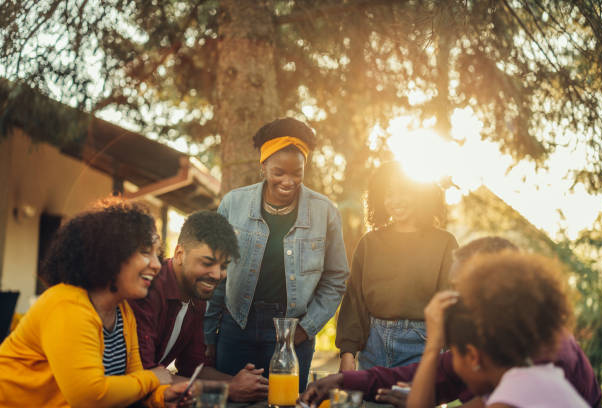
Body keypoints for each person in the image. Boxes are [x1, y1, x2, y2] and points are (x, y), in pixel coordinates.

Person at [301, 237, 602, 407]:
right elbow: (433, 373)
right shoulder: (493, 335)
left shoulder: (546, 354)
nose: (453, 295)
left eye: (462, 286)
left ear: (495, 285)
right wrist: (344, 379)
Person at [204, 117, 350, 391]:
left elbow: (336, 279)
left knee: (283, 400)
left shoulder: (325, 212)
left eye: (297, 173)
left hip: (292, 332)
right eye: (279, 172)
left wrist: (307, 328)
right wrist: (209, 335)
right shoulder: (233, 204)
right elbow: (216, 274)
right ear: (263, 166)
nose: (288, 181)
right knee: (233, 400)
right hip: (237, 327)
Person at [0, 199, 191, 407]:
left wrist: (161, 397)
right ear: (110, 253)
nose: (156, 264)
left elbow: (134, 379)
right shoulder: (67, 304)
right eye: (145, 252)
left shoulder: (123, 311)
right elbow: (89, 396)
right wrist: (154, 378)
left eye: (157, 254)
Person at [406, 252, 589, 407]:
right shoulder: (536, 380)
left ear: (472, 356)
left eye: (453, 354)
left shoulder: (512, 398)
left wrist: (432, 347)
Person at [129, 210, 268, 402]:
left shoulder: (197, 296)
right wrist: (228, 389)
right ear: (179, 254)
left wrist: (244, 384)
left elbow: (193, 367)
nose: (217, 275)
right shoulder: (149, 290)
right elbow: (147, 375)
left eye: (224, 266)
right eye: (207, 263)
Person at [336, 161, 458, 371]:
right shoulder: (369, 243)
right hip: (373, 346)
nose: (395, 201)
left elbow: (450, 303)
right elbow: (354, 301)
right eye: (389, 194)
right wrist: (347, 353)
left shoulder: (444, 243)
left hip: (422, 346)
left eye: (404, 193)